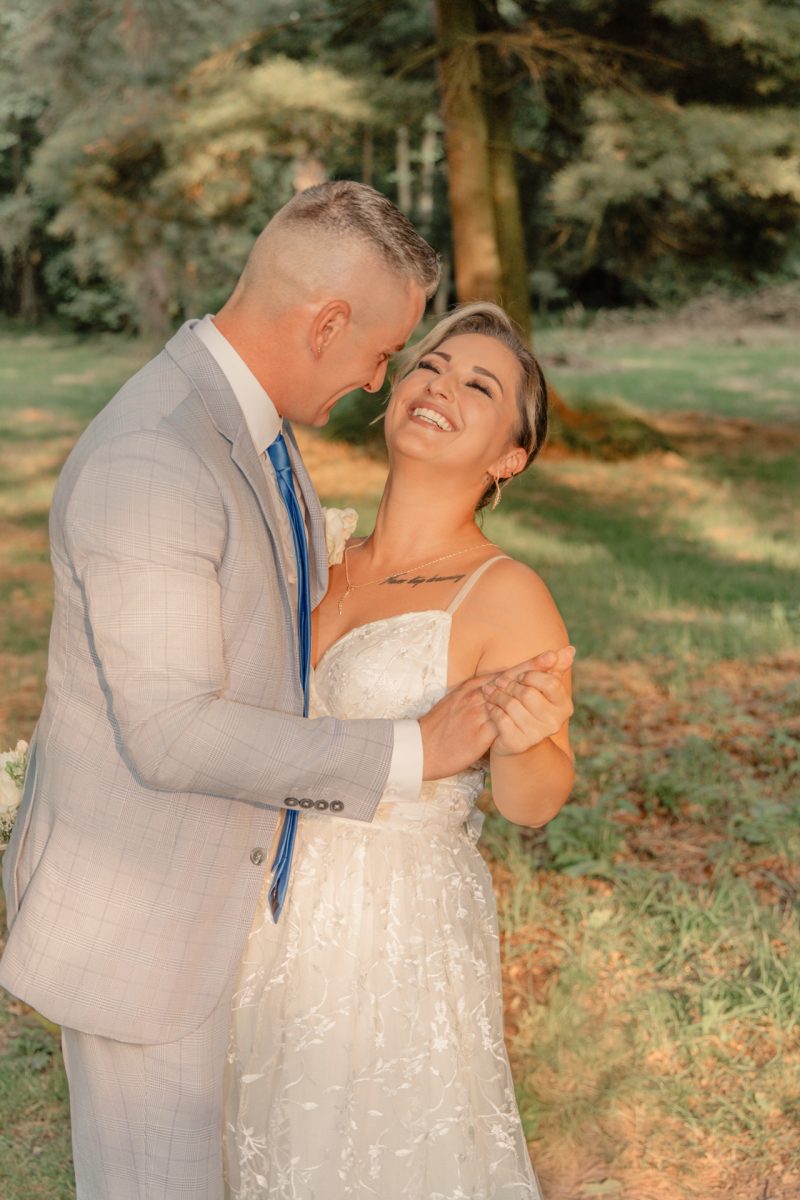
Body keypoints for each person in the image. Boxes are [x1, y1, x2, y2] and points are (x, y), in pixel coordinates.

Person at [0, 184, 547, 1200]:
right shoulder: (156, 457)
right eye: (388, 352)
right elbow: (170, 733)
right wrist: (413, 749)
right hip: (149, 932)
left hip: (260, 929)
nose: (382, 379)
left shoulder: (255, 433)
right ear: (326, 323)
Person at [224, 301, 575, 1198]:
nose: (440, 387)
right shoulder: (316, 550)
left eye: (479, 386)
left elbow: (534, 801)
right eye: (431, 365)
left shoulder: (504, 594)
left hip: (387, 925)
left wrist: (525, 741)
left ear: (509, 457)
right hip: (248, 899)